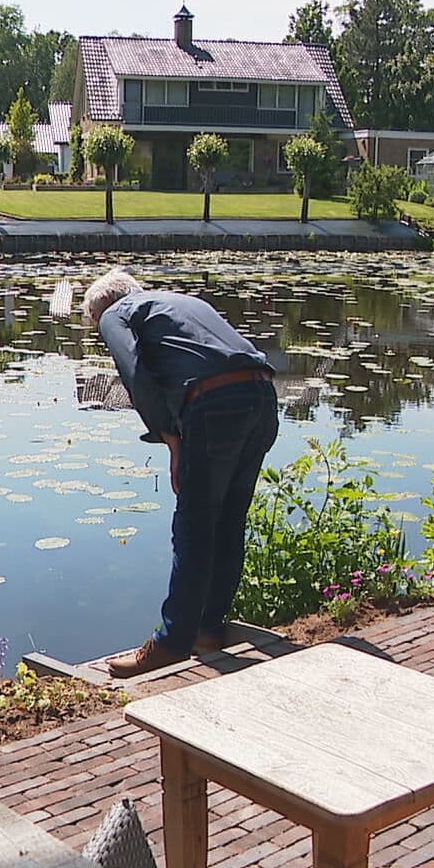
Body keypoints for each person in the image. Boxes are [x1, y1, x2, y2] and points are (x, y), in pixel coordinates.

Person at [82, 268, 279, 678]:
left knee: (193, 524)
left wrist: (170, 438)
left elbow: (135, 375)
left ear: (102, 310)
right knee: (228, 521)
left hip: (216, 405)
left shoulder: (116, 314)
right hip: (261, 397)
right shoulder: (181, 303)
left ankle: (171, 643)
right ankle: (207, 630)